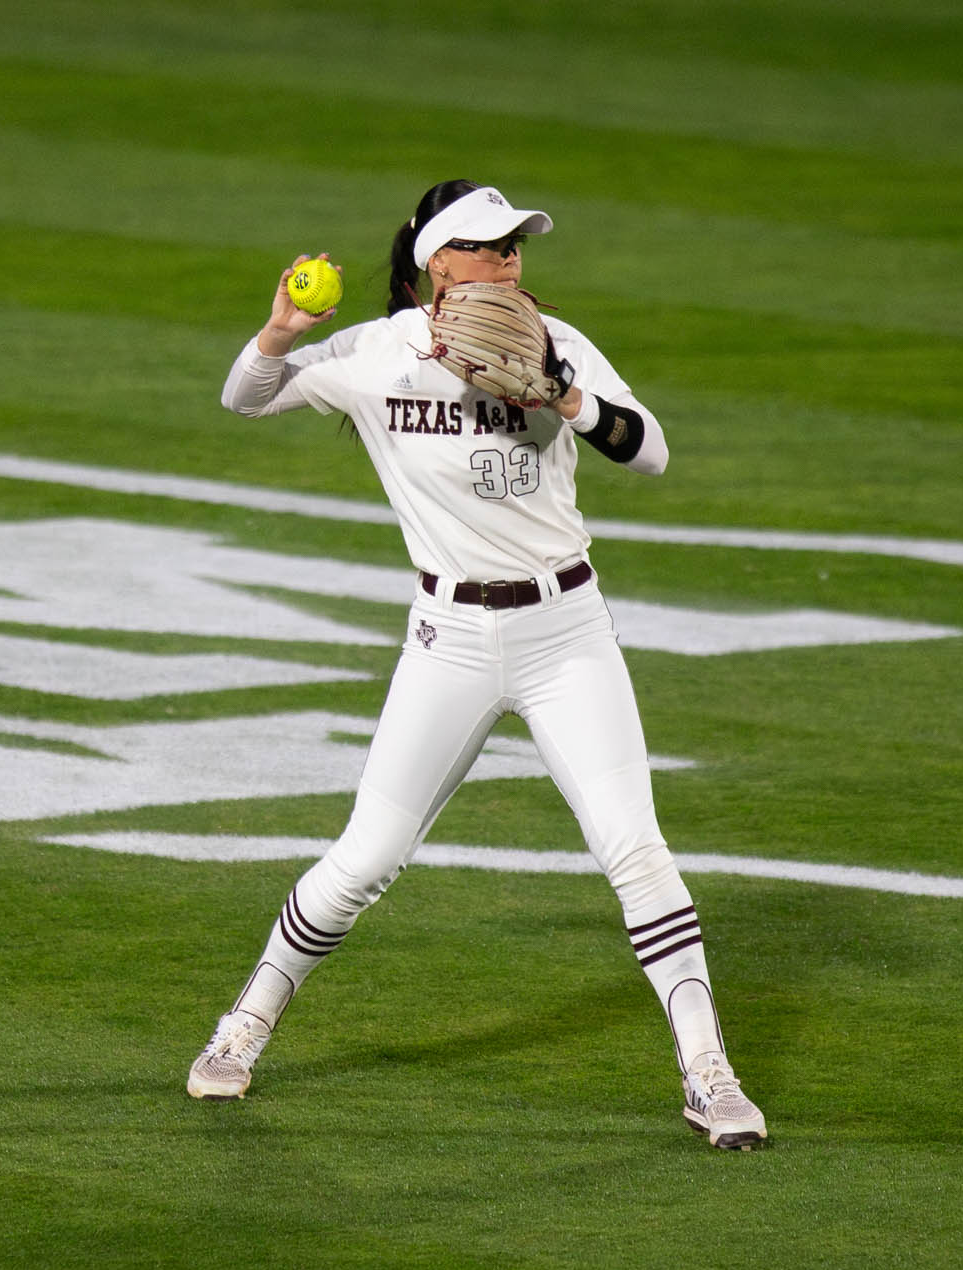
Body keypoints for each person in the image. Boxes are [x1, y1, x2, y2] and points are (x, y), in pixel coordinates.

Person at [186, 179, 767, 1150]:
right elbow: (242, 397)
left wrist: (562, 396)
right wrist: (281, 330)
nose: (506, 260)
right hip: (446, 641)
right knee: (366, 855)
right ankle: (241, 1026)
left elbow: (648, 451)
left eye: (514, 245)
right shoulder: (374, 356)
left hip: (564, 632)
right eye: (485, 245)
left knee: (633, 848)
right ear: (432, 264)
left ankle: (708, 1073)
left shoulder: (559, 343)